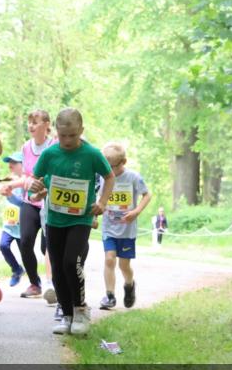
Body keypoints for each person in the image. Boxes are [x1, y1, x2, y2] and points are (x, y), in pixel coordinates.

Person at [29, 108, 113, 336]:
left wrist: (102, 202)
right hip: (55, 219)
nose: (67, 140)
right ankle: (66, 315)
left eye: (73, 135)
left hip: (81, 219)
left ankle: (80, 310)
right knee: (56, 270)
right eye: (63, 135)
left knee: (71, 263)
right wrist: (35, 191)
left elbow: (109, 176)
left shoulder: (92, 154)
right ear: (56, 131)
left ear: (81, 131)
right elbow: (36, 182)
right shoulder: (49, 154)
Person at [97, 142, 151, 310]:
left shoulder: (133, 177)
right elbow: (97, 196)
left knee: (124, 265)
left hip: (127, 230)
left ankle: (129, 285)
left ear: (123, 162)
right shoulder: (103, 177)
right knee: (109, 259)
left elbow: (147, 194)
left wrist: (136, 211)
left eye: (112, 166)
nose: (109, 171)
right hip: (109, 227)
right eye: (106, 166)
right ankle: (110, 296)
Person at [16, 109, 56, 298]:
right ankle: (35, 283)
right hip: (30, 200)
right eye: (29, 122)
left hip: (49, 201)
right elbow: (25, 174)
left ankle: (53, 284)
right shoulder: (26, 147)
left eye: (35, 122)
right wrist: (25, 182)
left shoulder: (54, 145)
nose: (31, 126)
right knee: (25, 241)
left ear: (47, 125)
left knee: (46, 247)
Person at [0, 152, 26, 286]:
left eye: (14, 163)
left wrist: (10, 196)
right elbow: (0, 189)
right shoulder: (8, 179)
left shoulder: (26, 182)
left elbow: (23, 204)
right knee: (3, 246)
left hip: (22, 226)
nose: (10, 165)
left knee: (26, 256)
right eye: (9, 162)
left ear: (22, 164)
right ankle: (16, 269)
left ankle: (35, 282)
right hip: (9, 225)